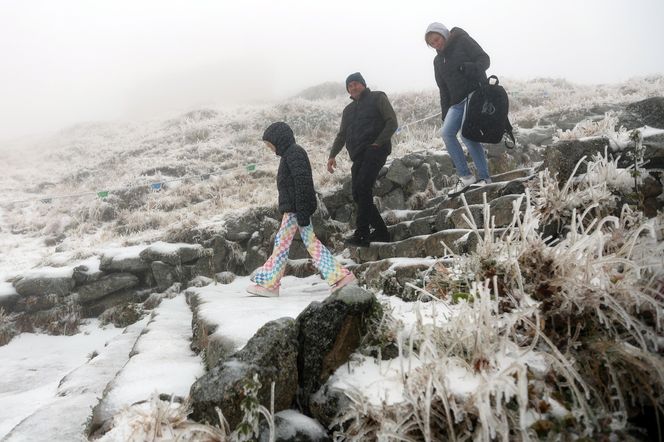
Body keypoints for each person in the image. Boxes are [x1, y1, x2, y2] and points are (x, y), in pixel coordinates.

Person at [247, 122, 357, 297]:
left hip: (296, 209)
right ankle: (339, 277)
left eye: (270, 144)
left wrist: (303, 212)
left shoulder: (294, 153)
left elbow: (302, 183)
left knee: (283, 245)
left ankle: (271, 284)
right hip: (295, 209)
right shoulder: (289, 154)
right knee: (289, 244)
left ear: (279, 139)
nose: (269, 148)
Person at [327, 72, 398, 247]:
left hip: (376, 150)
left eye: (356, 84)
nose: (353, 87)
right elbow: (342, 134)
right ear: (348, 91)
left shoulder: (377, 97)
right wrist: (332, 155)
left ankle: (362, 233)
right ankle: (381, 232)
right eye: (350, 86)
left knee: (363, 187)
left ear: (363, 84)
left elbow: (392, 122)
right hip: (358, 155)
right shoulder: (348, 110)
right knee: (358, 194)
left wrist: (378, 143)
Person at [425, 22, 492, 195]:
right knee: (446, 133)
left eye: (437, 39)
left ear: (444, 34)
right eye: (432, 44)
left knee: (467, 135)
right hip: (456, 102)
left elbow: (484, 59)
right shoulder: (438, 60)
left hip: (474, 93)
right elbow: (443, 89)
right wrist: (445, 113)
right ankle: (466, 177)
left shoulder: (462, 40)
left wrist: (472, 67)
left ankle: (485, 178)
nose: (436, 44)